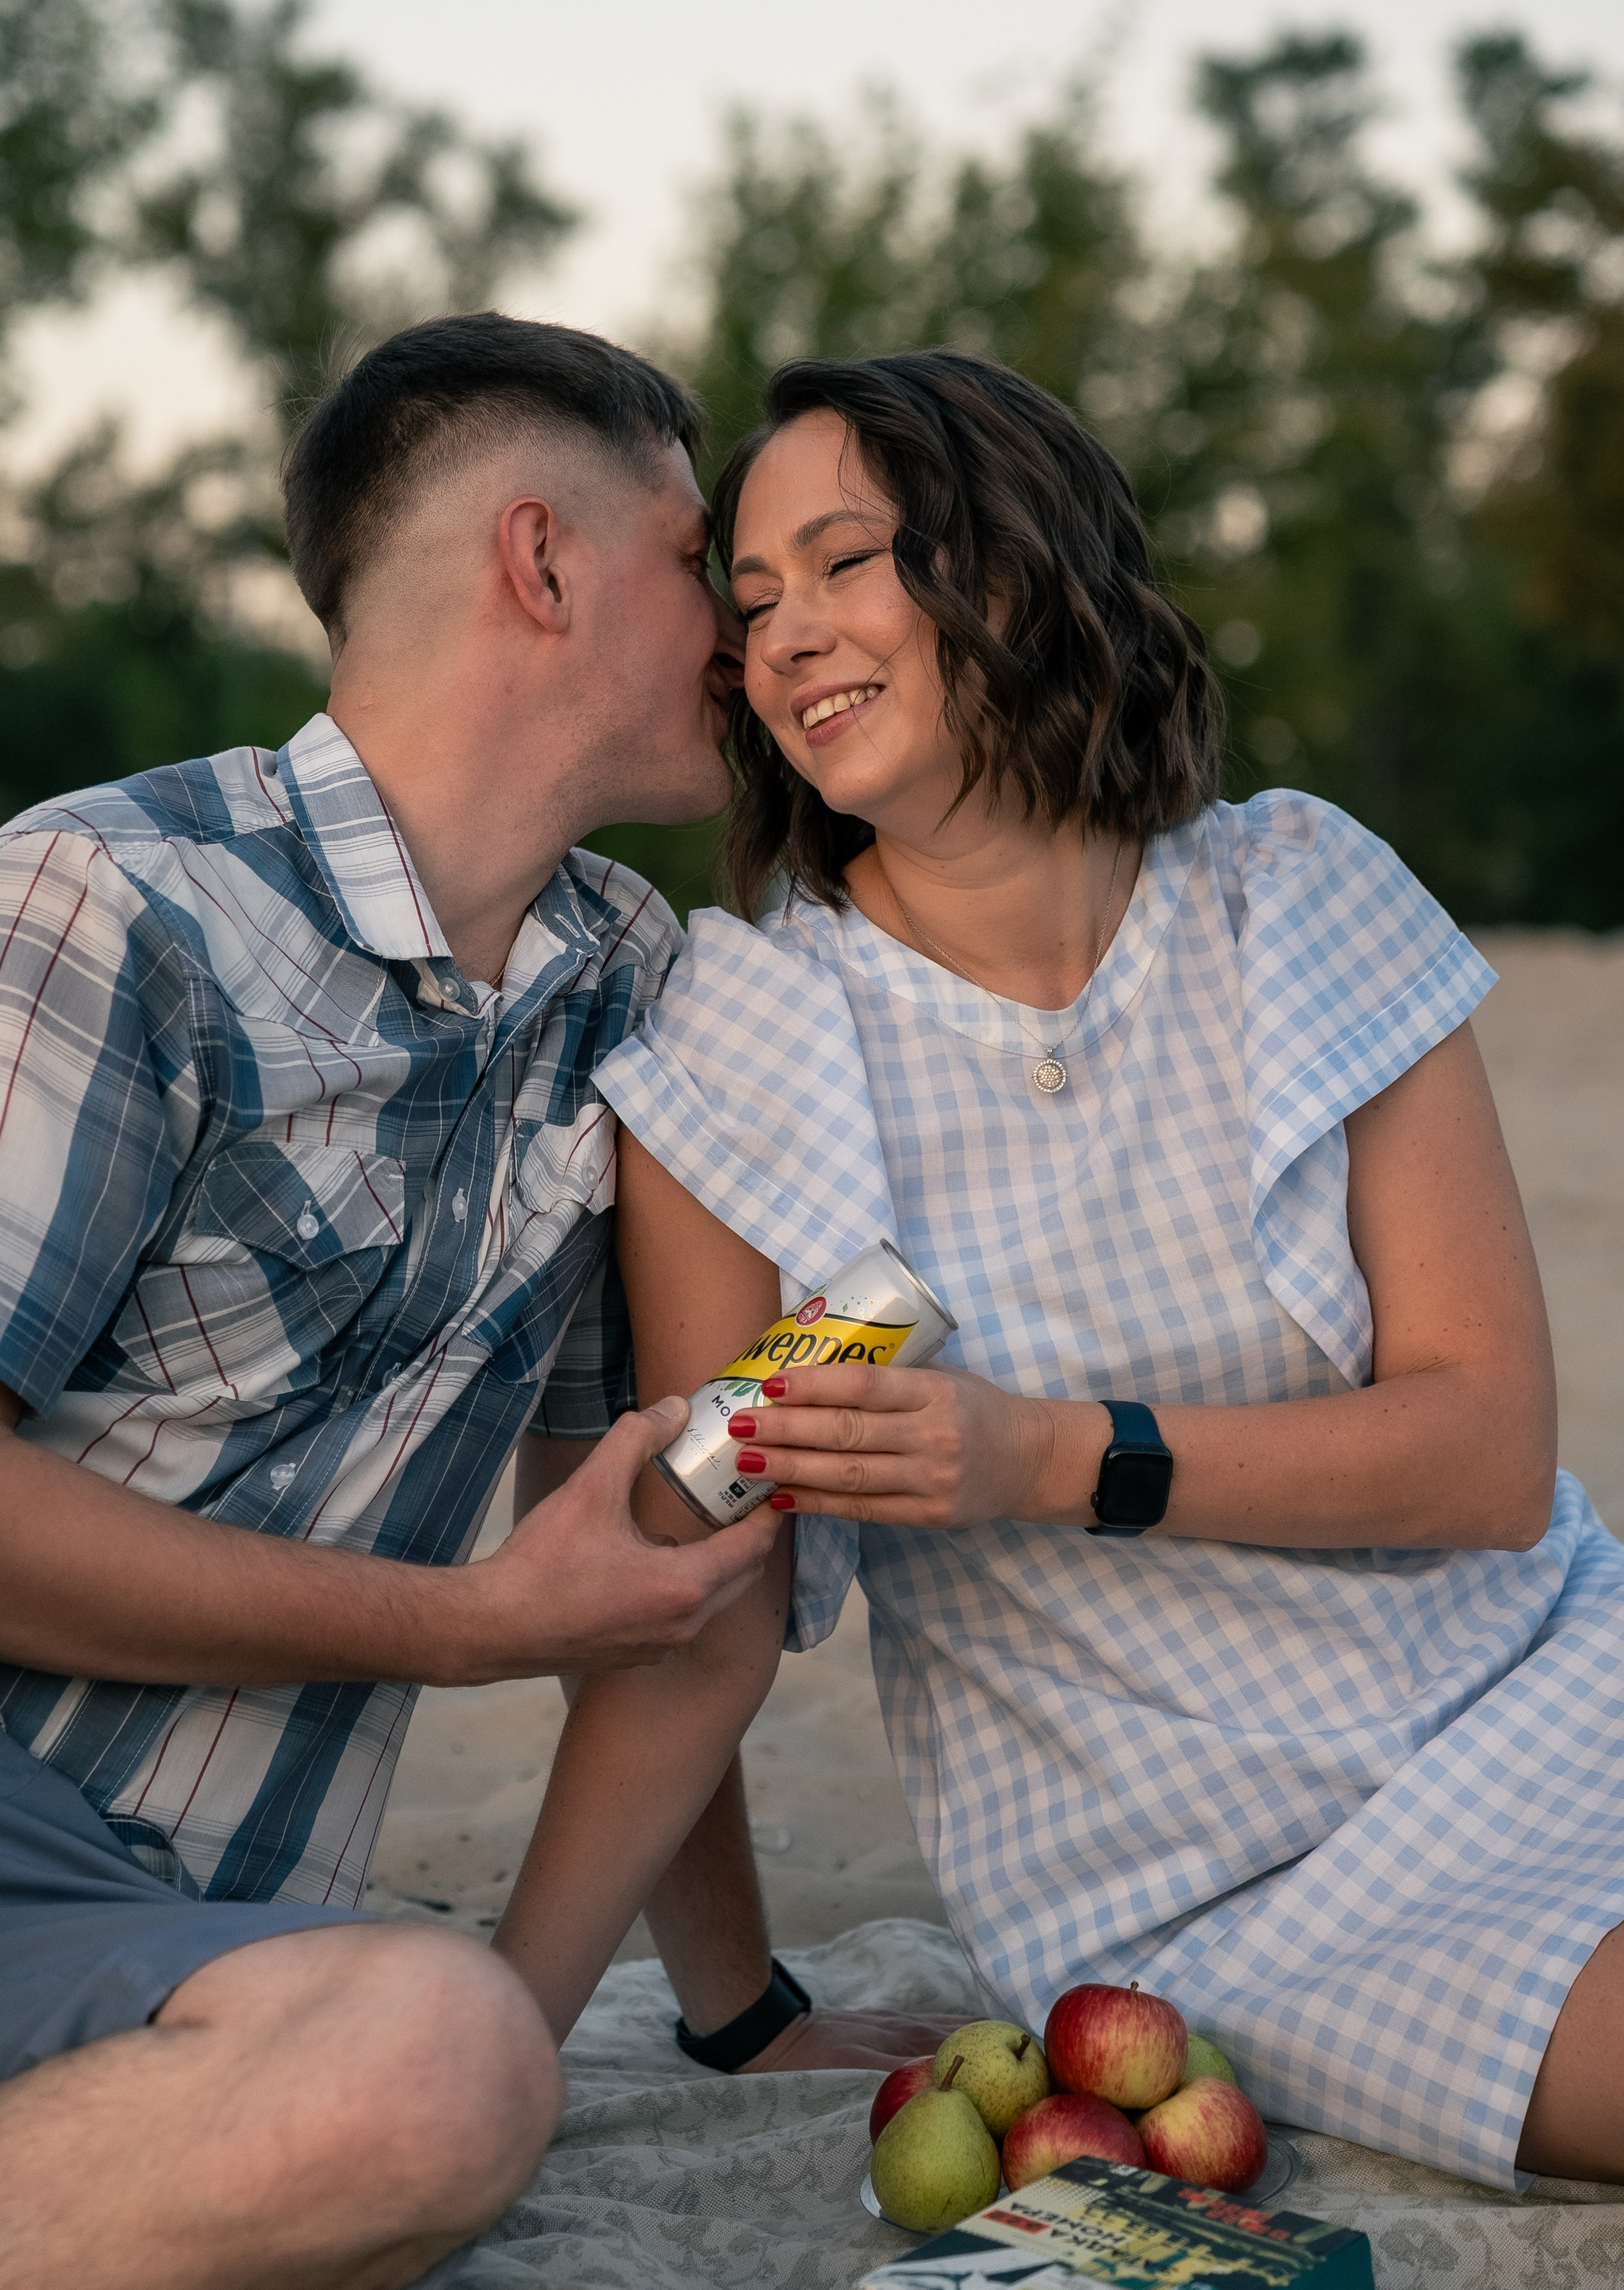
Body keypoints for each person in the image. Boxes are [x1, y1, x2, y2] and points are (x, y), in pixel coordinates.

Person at [0, 314, 944, 2290]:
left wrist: (733, 1997)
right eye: (716, 570)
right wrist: (478, 1626)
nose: (757, 635)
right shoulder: (116, 896)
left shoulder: (640, 997)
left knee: (446, 2076)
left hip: (133, 1943)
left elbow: (664, 1553)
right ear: (543, 560)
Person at [596, 345, 1624, 2196]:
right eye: (751, 602)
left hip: (1552, 1676)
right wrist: (734, 2009)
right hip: (1221, 1885)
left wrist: (1047, 1456)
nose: (786, 635)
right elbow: (689, 1588)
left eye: (843, 561)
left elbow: (1485, 1457)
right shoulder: (736, 1037)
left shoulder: (1296, 895)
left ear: (1009, 569)